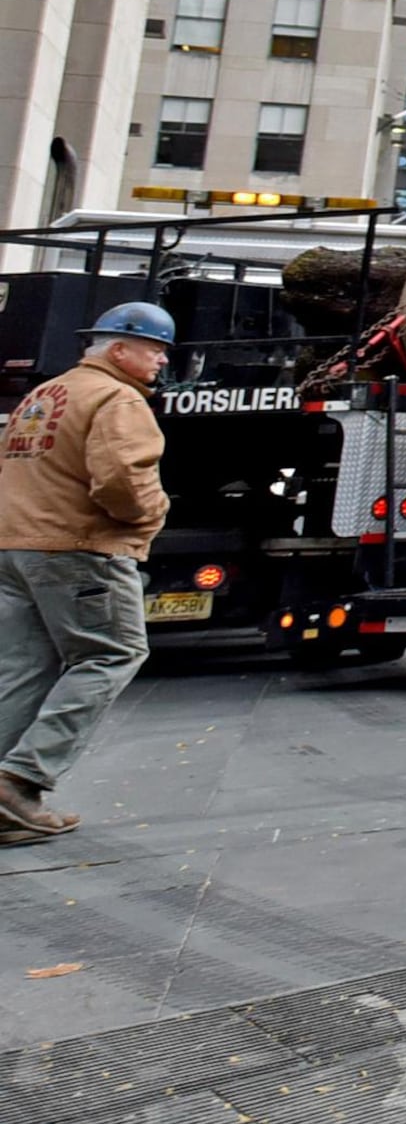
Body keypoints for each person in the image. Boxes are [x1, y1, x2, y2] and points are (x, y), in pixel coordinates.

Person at [0, 302, 174, 841]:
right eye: (154, 349)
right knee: (111, 652)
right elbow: (122, 479)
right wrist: (151, 515)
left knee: (26, 666)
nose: (162, 361)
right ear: (118, 350)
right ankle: (20, 780)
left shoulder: (46, 394)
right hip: (79, 547)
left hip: (17, 544)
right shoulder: (117, 398)